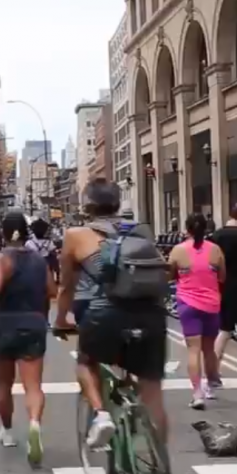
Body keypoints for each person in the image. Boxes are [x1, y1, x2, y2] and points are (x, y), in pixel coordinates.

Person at [54, 179, 169, 451]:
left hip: (106, 312)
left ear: (86, 207)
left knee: (86, 363)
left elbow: (66, 287)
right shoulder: (142, 231)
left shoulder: (76, 235)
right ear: (118, 204)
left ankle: (101, 415)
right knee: (153, 395)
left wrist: (61, 320)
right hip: (151, 315)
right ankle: (157, 473)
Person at [0, 212, 53, 466]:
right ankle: (34, 423)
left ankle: (8, 432)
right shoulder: (39, 260)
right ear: (26, 232)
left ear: (3, 232)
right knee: (33, 386)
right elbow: (52, 290)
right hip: (33, 324)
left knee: (4, 383)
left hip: (3, 324)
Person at [169, 213, 225, 410]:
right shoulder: (216, 250)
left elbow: (170, 273)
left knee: (193, 349)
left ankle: (197, 394)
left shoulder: (178, 250)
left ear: (187, 229)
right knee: (209, 349)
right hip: (211, 304)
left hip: (188, 304)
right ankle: (211, 386)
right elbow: (222, 277)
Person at [211, 201, 237, 366]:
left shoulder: (217, 235)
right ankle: (213, 369)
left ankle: (213, 369)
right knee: (236, 330)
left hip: (220, 286)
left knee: (225, 329)